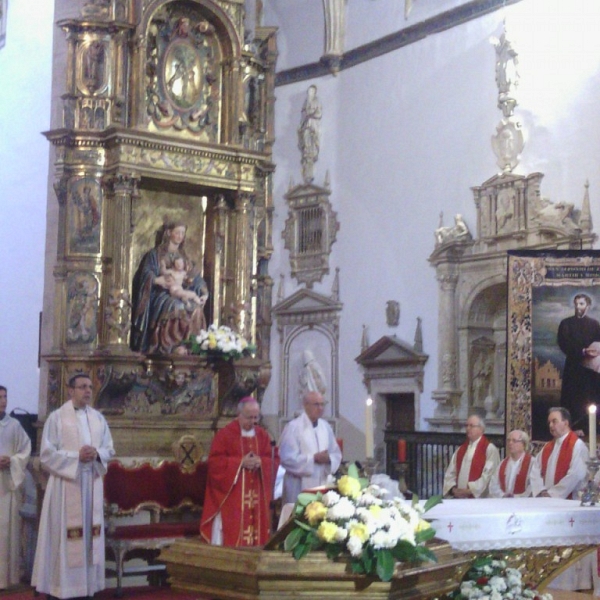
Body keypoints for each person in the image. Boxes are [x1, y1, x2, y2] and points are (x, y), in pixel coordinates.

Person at [32, 374, 115, 600]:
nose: (87, 391)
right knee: (63, 536)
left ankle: (86, 588)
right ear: (70, 390)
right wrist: (76, 456)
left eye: (89, 387)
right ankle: (61, 588)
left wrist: (96, 453)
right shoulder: (57, 418)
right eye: (82, 387)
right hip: (66, 485)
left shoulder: (98, 419)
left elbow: (110, 449)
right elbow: (47, 456)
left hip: (91, 484)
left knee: (88, 536)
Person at [200, 397, 277, 547]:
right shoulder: (225, 434)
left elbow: (273, 459)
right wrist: (240, 462)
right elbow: (215, 463)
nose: (254, 422)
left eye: (256, 417)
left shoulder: (263, 435)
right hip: (233, 497)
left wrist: (262, 462)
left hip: (257, 495)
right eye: (250, 417)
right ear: (239, 415)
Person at [530, 407, 591, 592]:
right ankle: (550, 581)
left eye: (554, 421)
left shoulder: (577, 445)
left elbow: (577, 474)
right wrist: (541, 491)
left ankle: (568, 584)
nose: (551, 425)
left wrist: (554, 494)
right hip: (548, 503)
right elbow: (535, 470)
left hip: (567, 504)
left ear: (566, 422)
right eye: (549, 422)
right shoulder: (548, 447)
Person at [131, 221, 209, 354]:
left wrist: (204, 292)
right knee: (175, 306)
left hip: (182, 291)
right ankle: (168, 347)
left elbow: (194, 277)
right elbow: (146, 273)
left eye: (183, 233)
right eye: (177, 232)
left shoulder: (184, 256)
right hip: (162, 294)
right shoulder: (155, 254)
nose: (180, 236)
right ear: (169, 233)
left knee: (196, 308)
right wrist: (156, 280)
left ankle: (189, 346)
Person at [279, 391, 342, 506]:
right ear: (305, 405)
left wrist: (328, 459)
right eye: (316, 404)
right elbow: (286, 459)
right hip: (298, 486)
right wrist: (313, 459)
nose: (321, 408)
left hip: (322, 484)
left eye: (322, 404)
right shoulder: (293, 427)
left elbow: (336, 453)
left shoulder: (325, 427)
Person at [0, 385, 32, 589]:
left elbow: (25, 450)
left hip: (6, 486)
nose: (3, 400)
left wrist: (11, 461)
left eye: (5, 396)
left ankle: (3, 579)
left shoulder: (14, 425)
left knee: (4, 532)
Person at [557, 293, 600, 429]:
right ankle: (573, 427)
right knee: (573, 396)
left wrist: (595, 351)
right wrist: (582, 351)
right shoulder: (566, 323)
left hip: (591, 369)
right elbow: (563, 343)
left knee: (591, 396)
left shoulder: (594, 324)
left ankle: (590, 427)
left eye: (581, 304)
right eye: (576, 304)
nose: (578, 307)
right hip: (573, 367)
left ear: (587, 306)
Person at [442, 414, 500, 498]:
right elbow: (450, 473)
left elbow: (489, 476)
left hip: (479, 501)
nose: (468, 428)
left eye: (471, 426)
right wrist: (453, 489)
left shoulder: (489, 449)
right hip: (460, 498)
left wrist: (470, 491)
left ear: (481, 429)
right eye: (467, 425)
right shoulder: (461, 450)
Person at [489, 430, 532, 498]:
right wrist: (503, 496)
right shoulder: (502, 464)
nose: (510, 443)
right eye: (508, 440)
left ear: (523, 444)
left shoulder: (532, 463)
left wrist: (516, 497)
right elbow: (493, 485)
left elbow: (533, 486)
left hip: (524, 505)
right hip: (504, 504)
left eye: (514, 441)